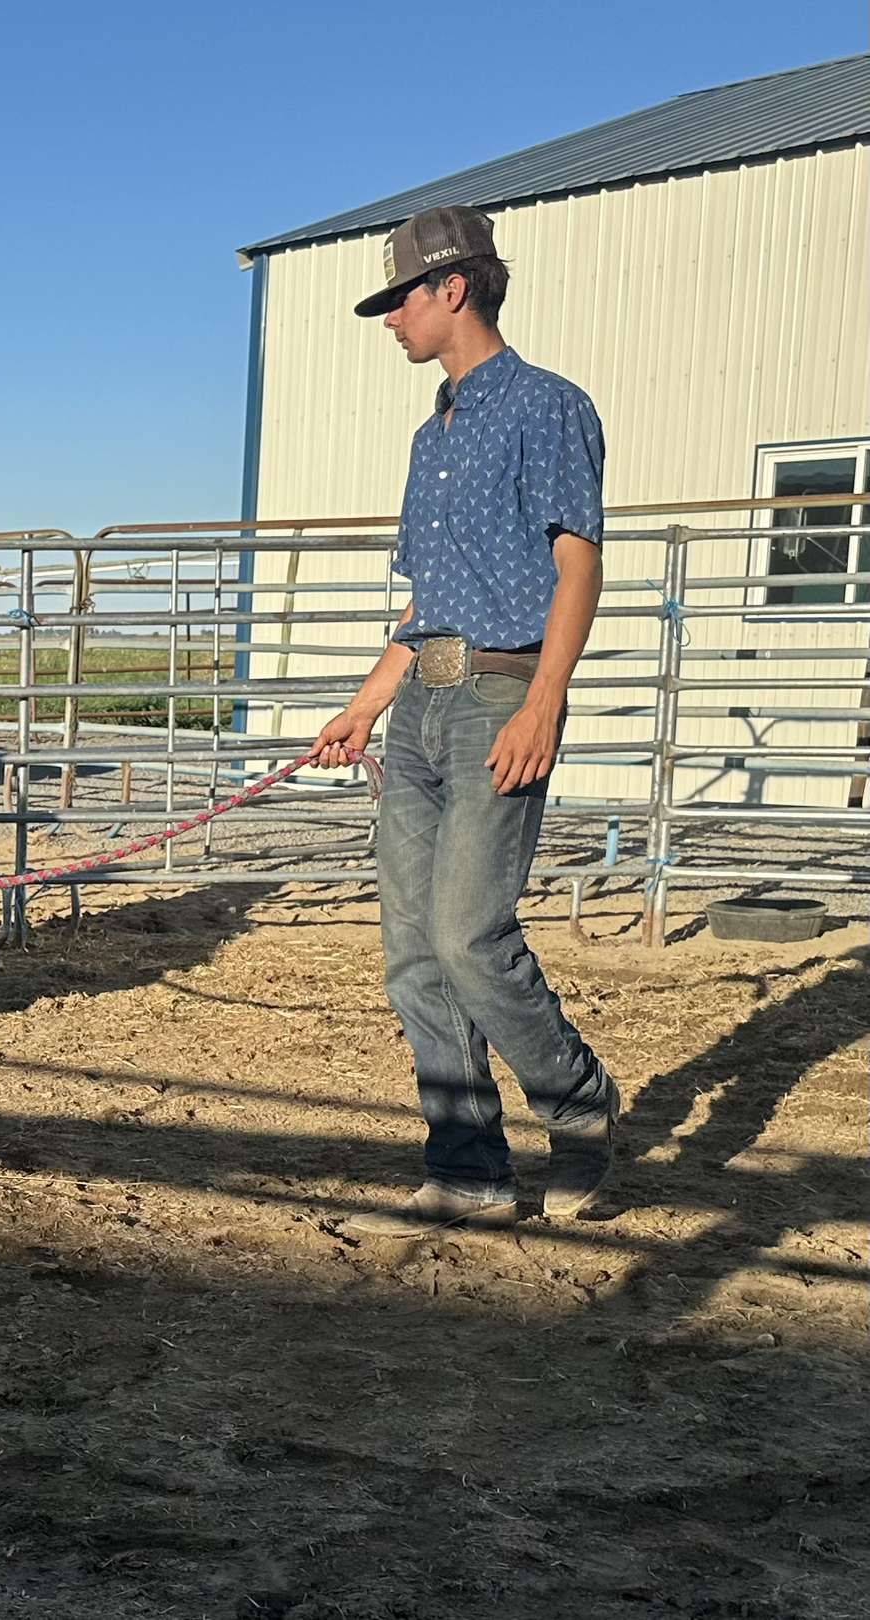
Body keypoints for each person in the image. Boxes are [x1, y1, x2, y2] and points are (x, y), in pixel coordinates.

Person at [313, 205, 619, 1238]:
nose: (388, 319)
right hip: (422, 705)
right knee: (411, 951)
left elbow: (576, 565)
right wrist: (364, 706)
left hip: (500, 694)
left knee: (466, 934)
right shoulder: (428, 435)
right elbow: (425, 603)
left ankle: (577, 1102)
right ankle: (466, 1171)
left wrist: (542, 703)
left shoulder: (548, 407)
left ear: (451, 288)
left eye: (397, 298)